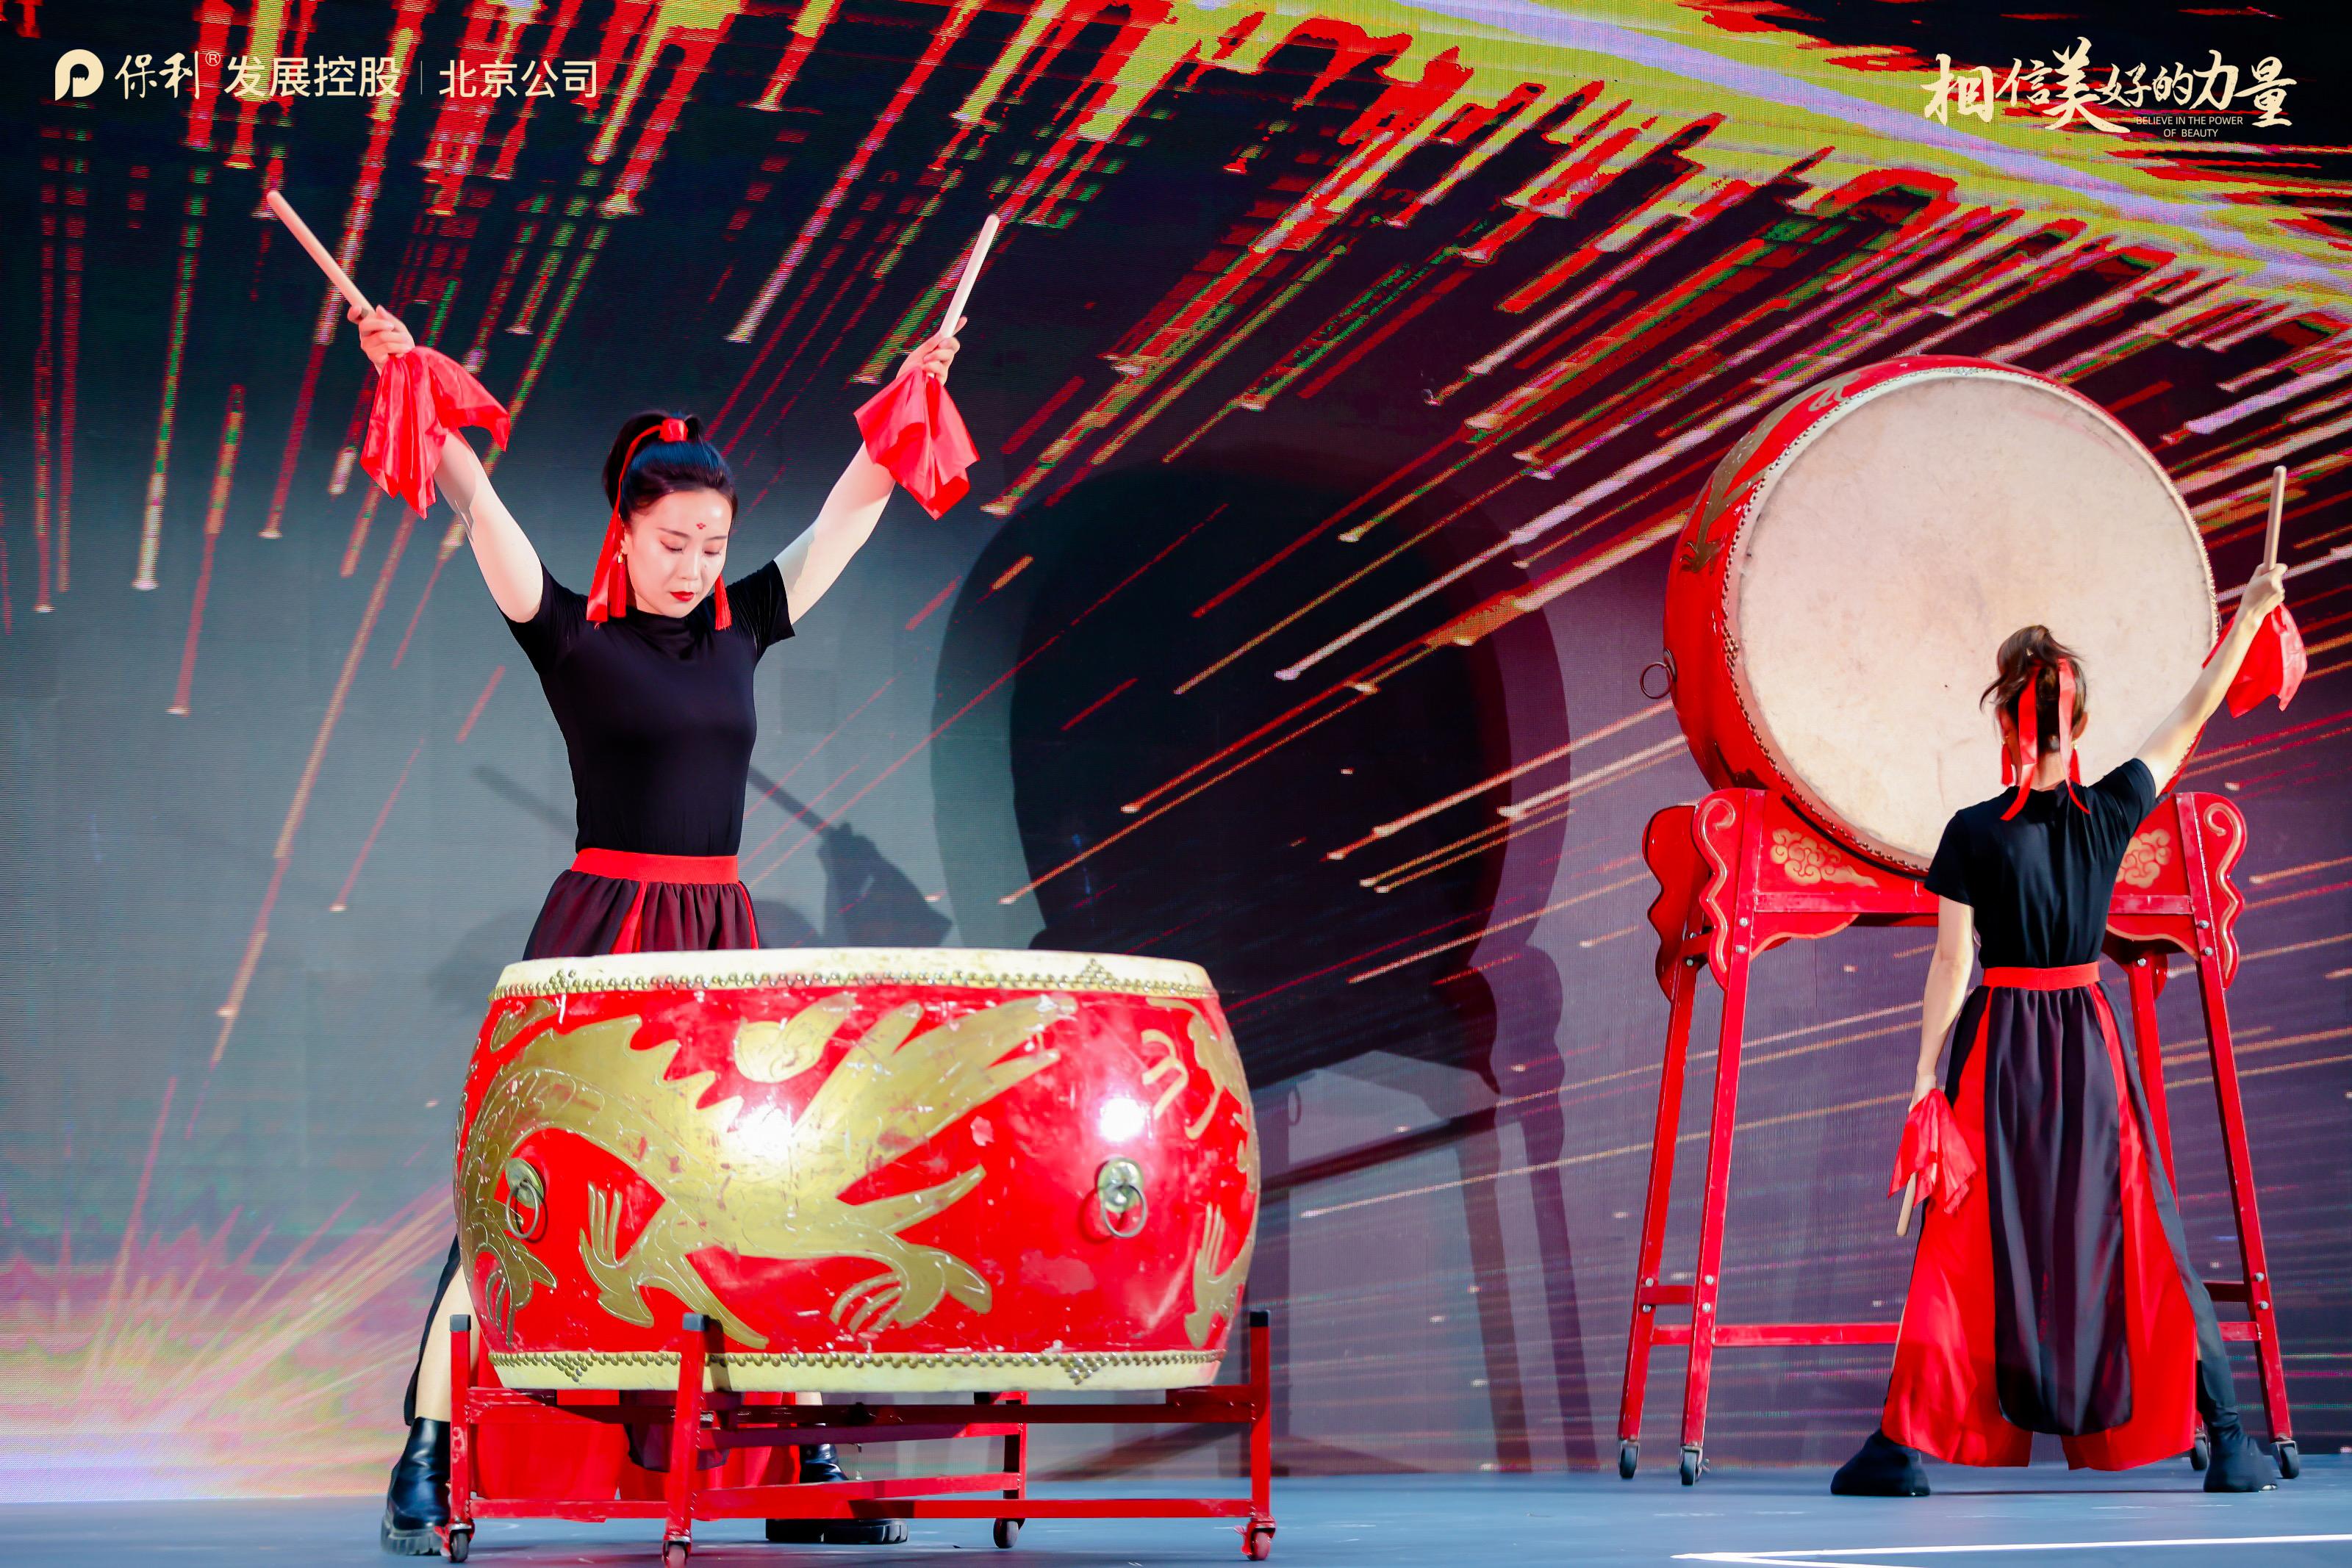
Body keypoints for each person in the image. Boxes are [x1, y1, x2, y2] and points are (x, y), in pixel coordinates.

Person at [351, 301, 966, 1553]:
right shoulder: (571, 634)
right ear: (625, 533)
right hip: (605, 936)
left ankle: (800, 1449)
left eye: (712, 543)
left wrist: (911, 388)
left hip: (719, 942)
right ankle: (427, 1441)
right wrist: (405, 371)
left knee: (759, 1190)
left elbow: (853, 508)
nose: (694, 564)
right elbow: (477, 504)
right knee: (528, 1193)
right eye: (674, 541)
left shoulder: (745, 626)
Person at [1832, 558, 2292, 1497]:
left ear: (2005, 720)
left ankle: (1899, 1448)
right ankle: (2228, 1438)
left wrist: (1923, 1077)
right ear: (2074, 724)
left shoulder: (1971, 830)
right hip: (2085, 1041)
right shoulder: (2109, 809)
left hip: (1998, 1045)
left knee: (1958, 1235)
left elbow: (1951, 965)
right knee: (2143, 1228)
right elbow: (2193, 711)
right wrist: (2247, 614)